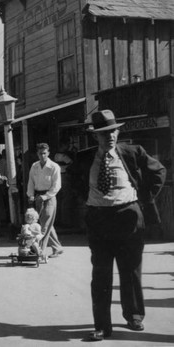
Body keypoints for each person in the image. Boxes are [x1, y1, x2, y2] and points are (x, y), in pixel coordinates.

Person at [68, 110, 166, 341]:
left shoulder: (133, 152)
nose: (110, 136)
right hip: (99, 219)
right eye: (103, 133)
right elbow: (73, 178)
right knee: (101, 274)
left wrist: (145, 197)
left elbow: (159, 171)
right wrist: (88, 197)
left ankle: (134, 316)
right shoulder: (84, 158)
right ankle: (102, 326)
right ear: (95, 136)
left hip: (128, 217)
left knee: (131, 270)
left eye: (113, 131)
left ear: (118, 131)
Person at [27, 143, 64, 258]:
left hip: (50, 197)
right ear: (37, 154)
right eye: (40, 153)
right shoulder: (34, 166)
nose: (42, 156)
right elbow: (31, 182)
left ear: (48, 153)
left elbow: (57, 186)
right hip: (38, 197)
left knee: (43, 226)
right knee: (46, 224)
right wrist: (31, 195)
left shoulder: (54, 167)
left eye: (44, 153)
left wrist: (46, 196)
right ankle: (57, 248)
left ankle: (39, 251)